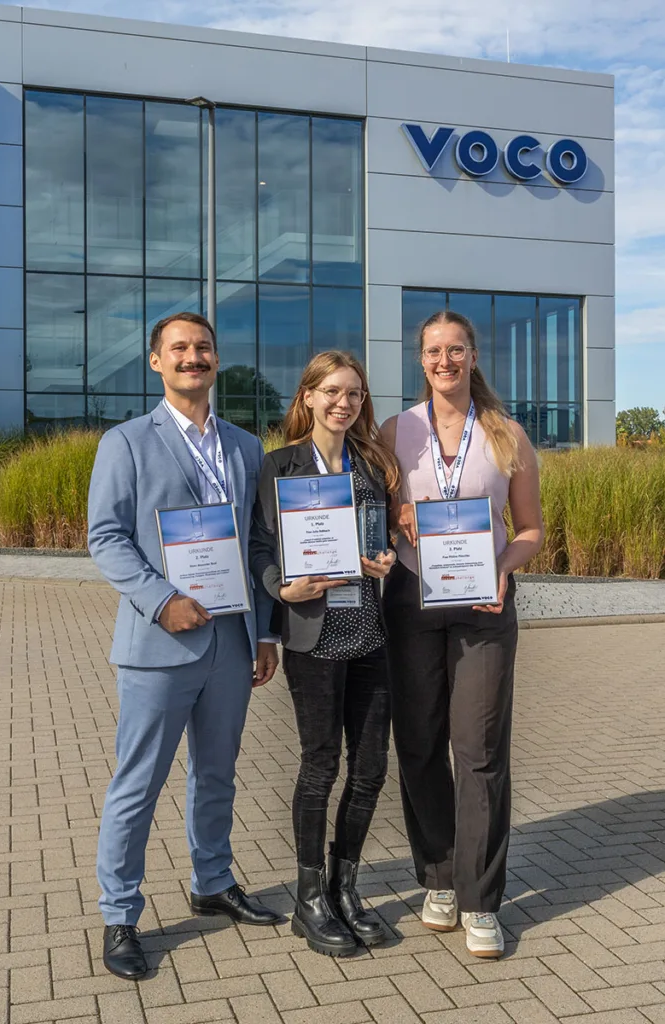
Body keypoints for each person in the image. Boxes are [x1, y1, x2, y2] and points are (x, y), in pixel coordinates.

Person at [88, 312, 282, 981]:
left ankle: (212, 881)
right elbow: (106, 537)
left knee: (217, 773)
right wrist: (159, 598)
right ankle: (119, 915)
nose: (191, 357)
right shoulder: (125, 442)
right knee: (136, 784)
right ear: (155, 362)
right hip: (157, 646)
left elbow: (257, 545)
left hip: (230, 642)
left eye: (202, 348)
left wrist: (262, 630)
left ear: (215, 359)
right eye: (178, 348)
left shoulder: (244, 446)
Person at [380, 310, 544, 959]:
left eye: (455, 349)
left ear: (472, 356)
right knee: (418, 745)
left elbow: (530, 529)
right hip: (411, 602)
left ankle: (480, 899)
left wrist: (502, 566)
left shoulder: (506, 435)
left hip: (483, 606)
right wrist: (396, 519)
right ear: (419, 359)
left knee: (477, 751)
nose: (443, 360)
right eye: (431, 350)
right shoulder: (396, 430)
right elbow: (378, 519)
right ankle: (439, 877)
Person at [250, 351, 399, 957]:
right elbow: (260, 545)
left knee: (370, 770)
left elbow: (381, 535)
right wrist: (279, 588)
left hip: (369, 634)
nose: (345, 403)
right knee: (321, 766)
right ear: (307, 396)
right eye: (333, 391)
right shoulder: (280, 464)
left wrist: (385, 555)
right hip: (315, 636)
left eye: (356, 394)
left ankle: (346, 885)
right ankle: (309, 900)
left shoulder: (371, 463)